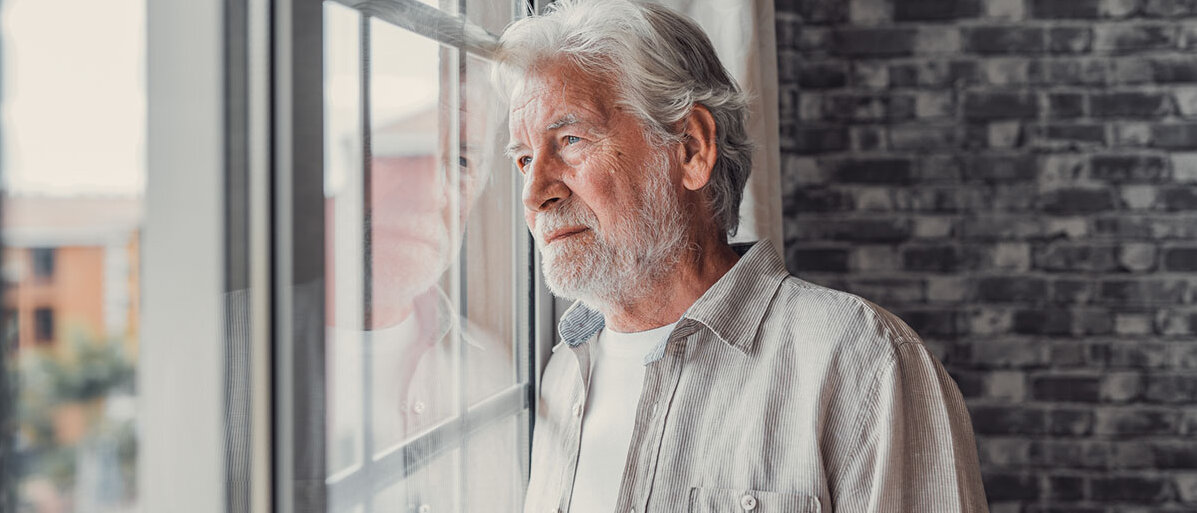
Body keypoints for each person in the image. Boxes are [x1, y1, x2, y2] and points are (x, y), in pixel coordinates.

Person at [493, 1, 989, 512]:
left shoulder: (865, 364)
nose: (534, 193)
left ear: (690, 148)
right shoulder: (563, 373)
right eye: (525, 158)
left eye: (570, 139)